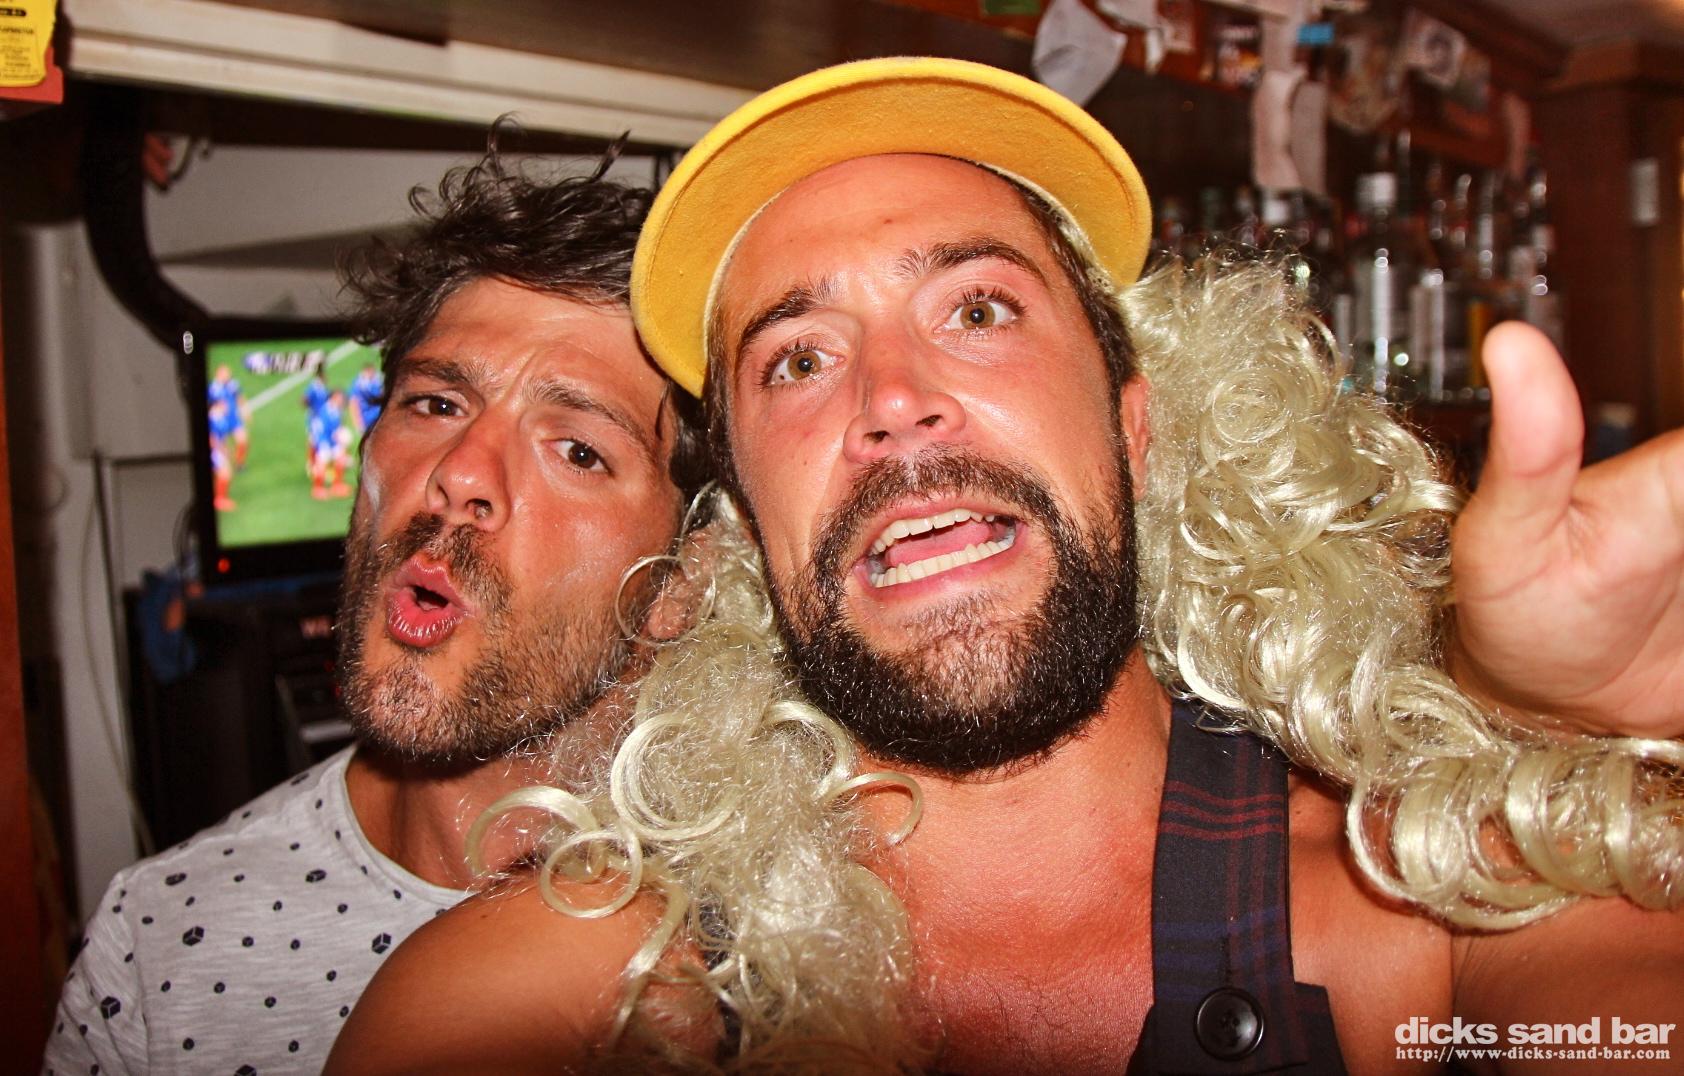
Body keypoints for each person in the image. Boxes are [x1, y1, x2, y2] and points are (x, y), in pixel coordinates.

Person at [332, 59, 1684, 1073]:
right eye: (797, 359)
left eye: (976, 308)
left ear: (1136, 428)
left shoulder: (1443, 900)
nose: (891, 398)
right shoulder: (570, 993)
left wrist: (1587, 746)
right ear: (744, 528)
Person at [44, 147, 706, 1075]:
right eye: (435, 403)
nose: (459, 473)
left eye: (578, 450)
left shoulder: (789, 934)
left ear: (679, 587)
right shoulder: (158, 949)